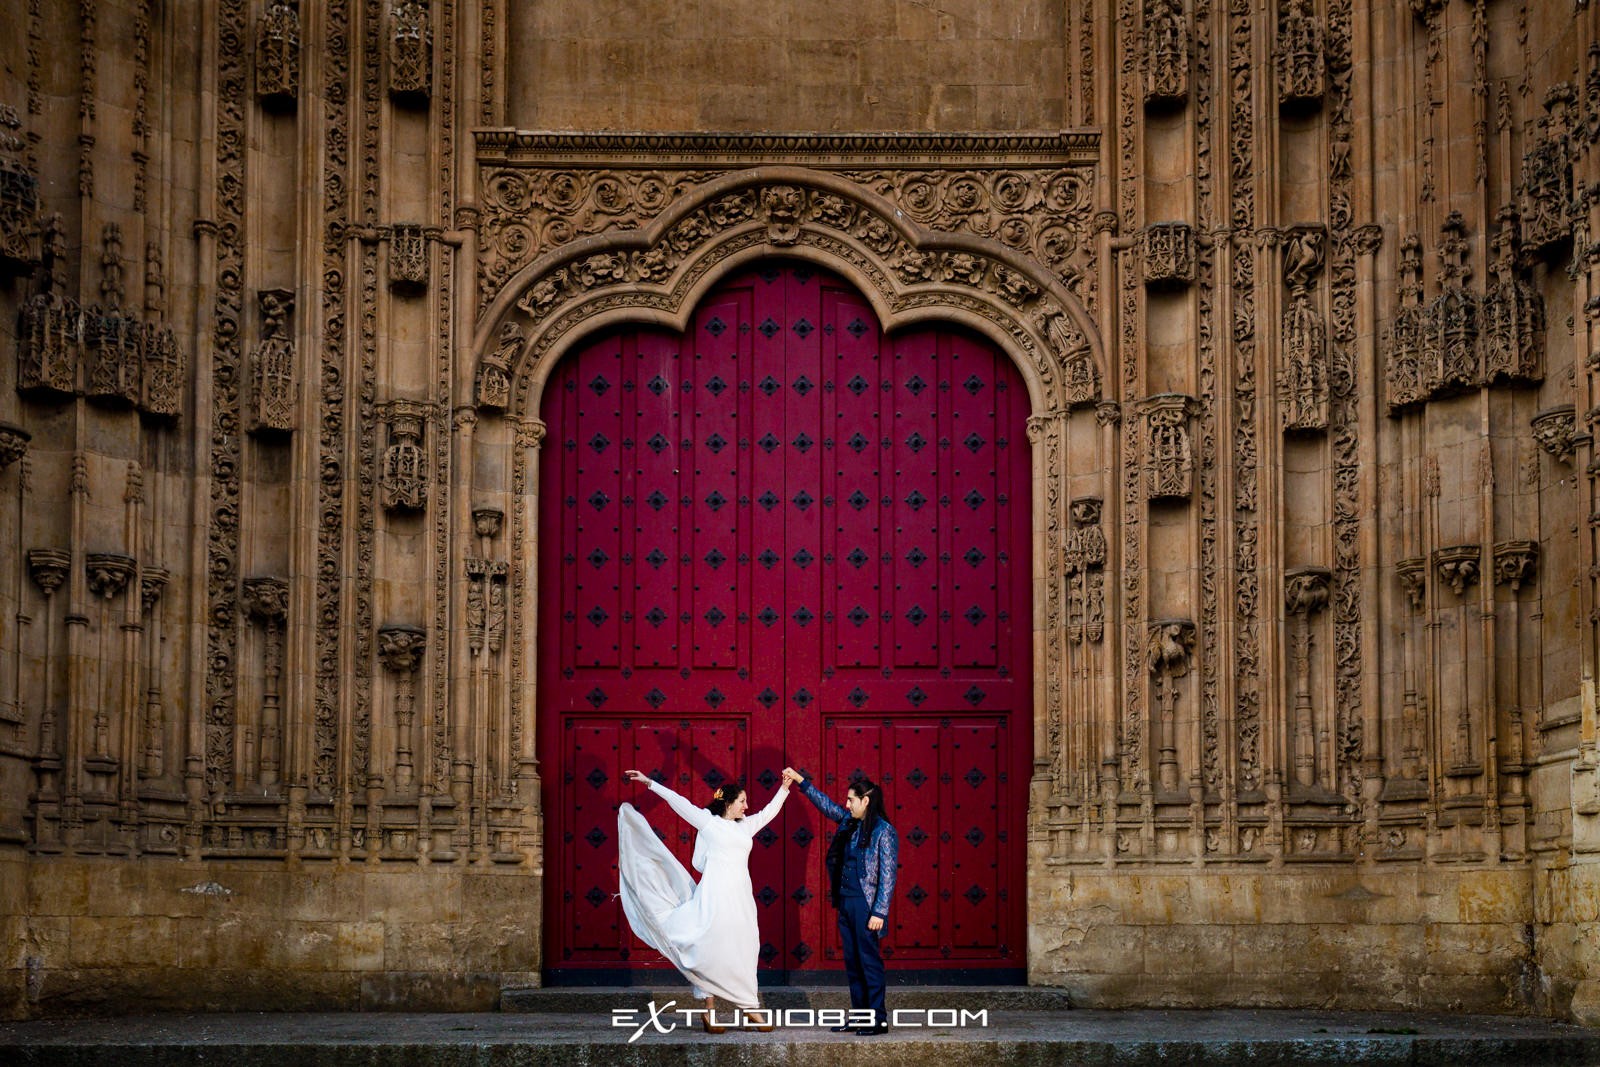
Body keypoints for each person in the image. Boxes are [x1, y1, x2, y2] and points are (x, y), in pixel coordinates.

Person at [617, 769, 790, 1032]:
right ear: (728, 803)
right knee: (710, 947)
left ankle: (748, 1005)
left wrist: (785, 788)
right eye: (742, 801)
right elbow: (680, 803)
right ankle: (710, 1012)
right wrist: (651, 783)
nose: (747, 806)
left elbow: (768, 812)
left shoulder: (745, 827)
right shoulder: (709, 823)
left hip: (741, 897)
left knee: (745, 945)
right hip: (715, 895)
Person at [782, 766, 898, 1036]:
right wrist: (801, 781)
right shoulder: (850, 822)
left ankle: (877, 1019)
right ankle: (860, 1017)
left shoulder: (884, 831)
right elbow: (827, 807)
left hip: (866, 906)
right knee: (852, 962)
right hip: (846, 903)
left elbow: (888, 876)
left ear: (865, 801)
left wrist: (879, 912)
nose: (846, 804)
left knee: (869, 963)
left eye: (851, 800)